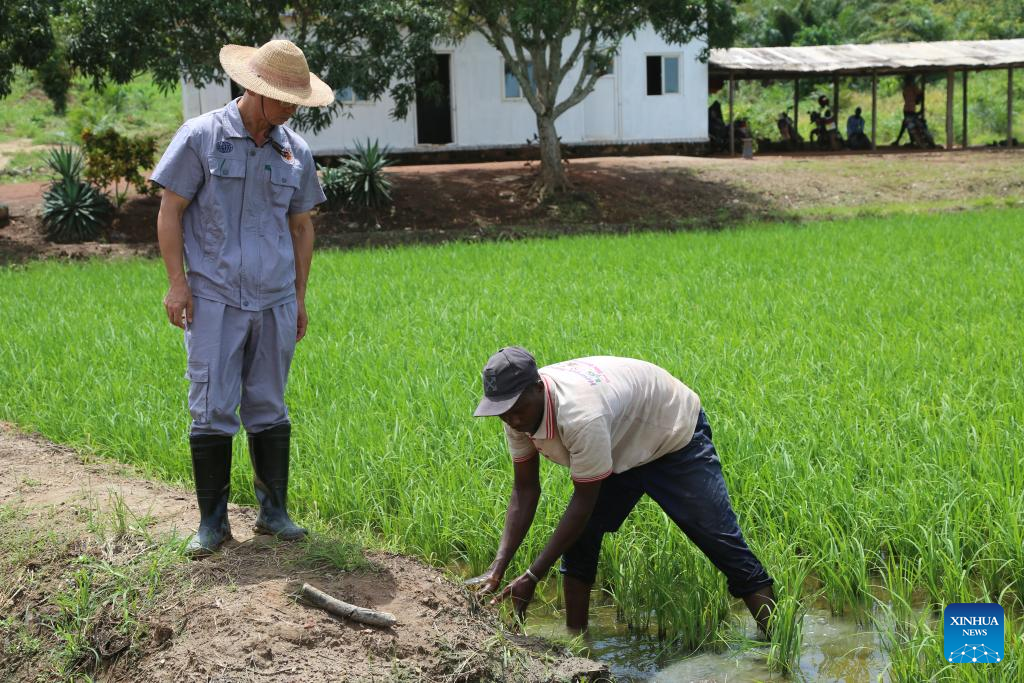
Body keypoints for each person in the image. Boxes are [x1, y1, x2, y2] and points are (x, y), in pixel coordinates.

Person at [151, 40, 332, 556]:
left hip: (275, 300)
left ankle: (274, 514)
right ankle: (212, 524)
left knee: (269, 405)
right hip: (215, 298)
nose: (292, 109)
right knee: (211, 408)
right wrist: (177, 283)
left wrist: (299, 298)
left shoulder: (295, 151)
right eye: (285, 99)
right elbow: (170, 210)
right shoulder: (201, 137)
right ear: (255, 89)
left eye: (298, 101)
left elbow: (301, 227)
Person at [467, 347, 776, 635]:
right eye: (503, 411)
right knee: (581, 539)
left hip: (671, 434)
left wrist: (532, 577)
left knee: (721, 542)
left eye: (517, 409)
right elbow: (525, 489)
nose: (512, 419)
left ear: (538, 388)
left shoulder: (580, 415)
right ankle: (576, 645)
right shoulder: (515, 412)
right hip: (618, 440)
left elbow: (584, 502)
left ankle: (778, 641)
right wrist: (498, 568)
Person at [893, 75, 922, 145]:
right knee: (909, 125)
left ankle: (900, 140)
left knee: (907, 125)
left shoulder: (906, 89)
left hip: (906, 109)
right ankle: (910, 140)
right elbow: (920, 96)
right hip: (911, 109)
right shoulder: (914, 88)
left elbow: (906, 98)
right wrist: (917, 101)